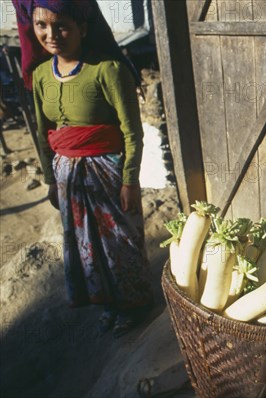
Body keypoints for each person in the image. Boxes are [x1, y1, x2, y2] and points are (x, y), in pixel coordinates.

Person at [12, 0, 153, 337]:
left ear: (83, 28)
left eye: (62, 26)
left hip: (108, 172)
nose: (51, 34)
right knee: (84, 244)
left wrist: (130, 180)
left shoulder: (108, 71)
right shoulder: (42, 76)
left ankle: (134, 304)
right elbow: (45, 133)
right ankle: (107, 302)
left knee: (120, 242)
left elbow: (132, 131)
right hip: (67, 176)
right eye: (41, 25)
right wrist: (50, 179)